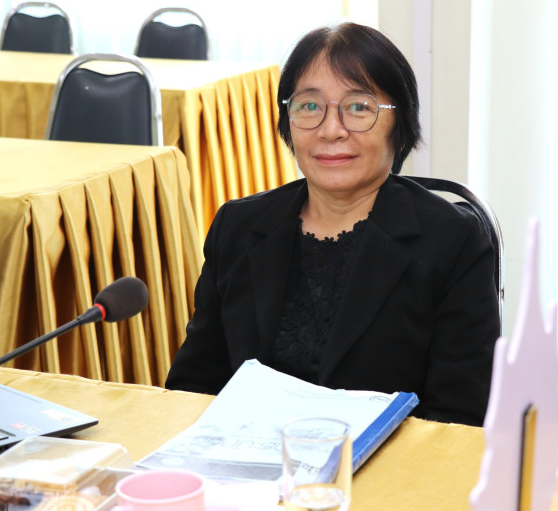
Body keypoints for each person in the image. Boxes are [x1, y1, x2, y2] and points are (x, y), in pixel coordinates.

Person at [166, 22, 499, 426]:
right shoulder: (238, 227)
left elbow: (459, 417)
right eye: (309, 106)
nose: (330, 130)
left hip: (388, 462)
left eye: (358, 107)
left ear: (400, 123)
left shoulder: (452, 240)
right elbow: (194, 386)